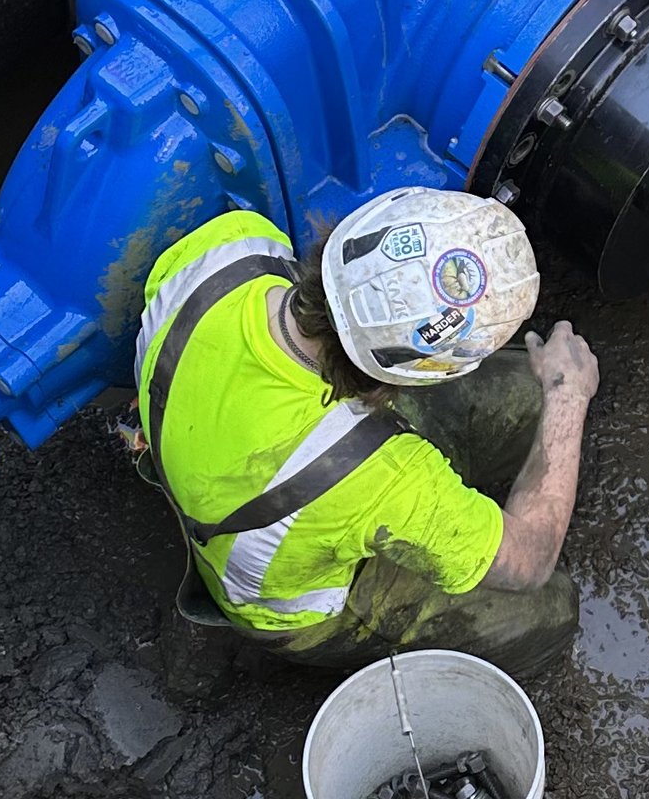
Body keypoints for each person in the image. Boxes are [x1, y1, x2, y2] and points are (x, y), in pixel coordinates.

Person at [132, 187, 598, 677]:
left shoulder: (233, 247)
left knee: (527, 394)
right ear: (416, 373)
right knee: (552, 608)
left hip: (211, 450)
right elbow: (530, 561)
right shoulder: (379, 478)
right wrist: (568, 394)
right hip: (292, 604)